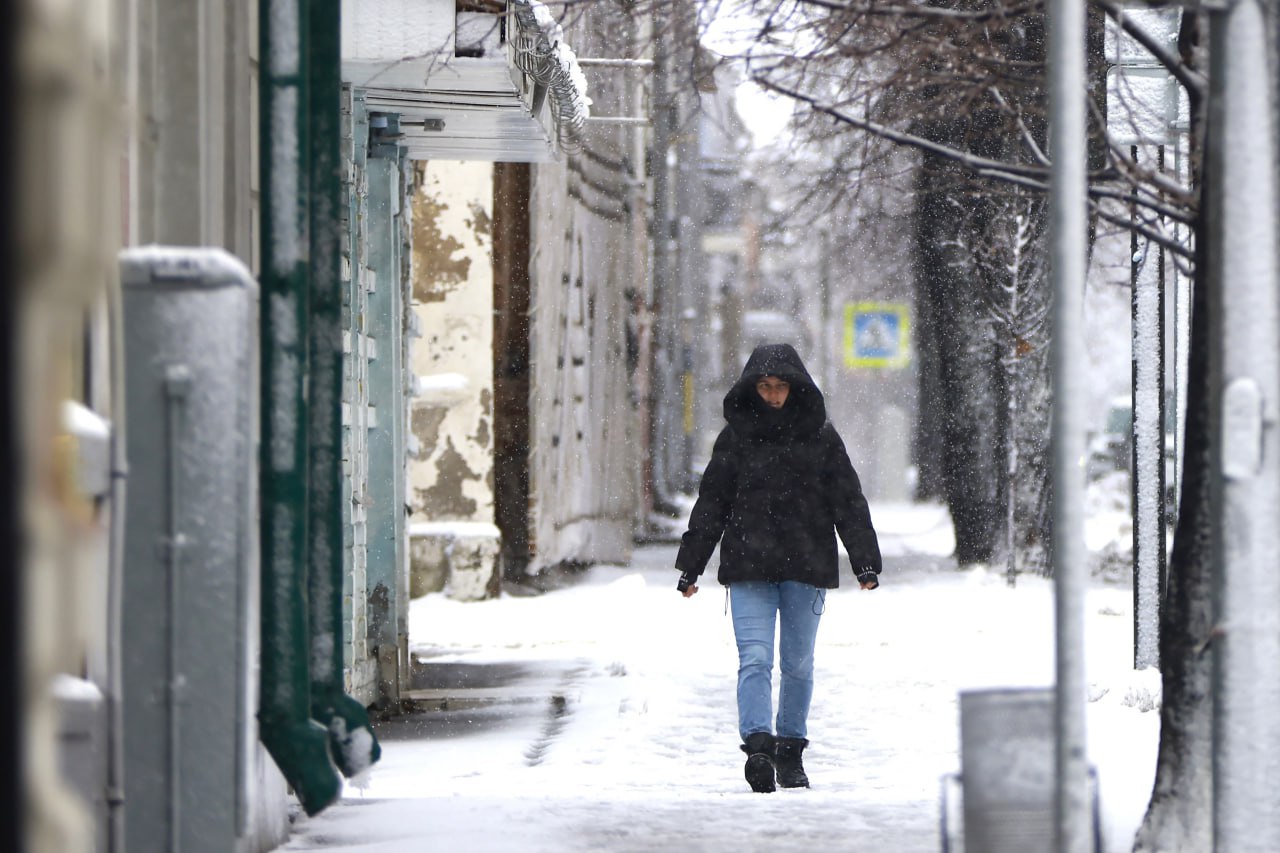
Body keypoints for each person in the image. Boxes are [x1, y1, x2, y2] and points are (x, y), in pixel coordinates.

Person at [675, 342, 882, 793]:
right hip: (749, 564)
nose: (772, 395)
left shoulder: (821, 437)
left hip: (806, 566)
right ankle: (759, 748)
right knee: (754, 660)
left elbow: (848, 500)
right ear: (752, 389)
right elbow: (712, 503)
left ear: (795, 388)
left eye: (780, 387)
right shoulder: (736, 438)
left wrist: (864, 561)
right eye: (765, 387)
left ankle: (791, 750)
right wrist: (691, 566)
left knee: (798, 664)